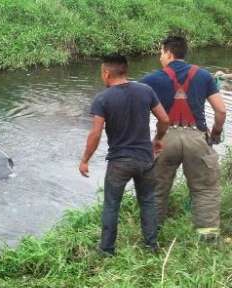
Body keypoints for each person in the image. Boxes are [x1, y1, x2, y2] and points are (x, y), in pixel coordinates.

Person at [79, 54, 170, 256]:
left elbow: (95, 133)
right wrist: (158, 139)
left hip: (119, 162)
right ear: (125, 70)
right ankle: (151, 246)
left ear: (106, 73)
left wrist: (85, 160)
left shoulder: (103, 98)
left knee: (111, 205)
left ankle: (107, 250)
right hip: (145, 159)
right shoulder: (146, 91)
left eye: (101, 73)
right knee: (147, 201)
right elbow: (164, 119)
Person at [141, 36, 227, 241]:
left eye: (161, 53)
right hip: (197, 138)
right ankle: (207, 241)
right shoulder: (204, 76)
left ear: (169, 53)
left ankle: (151, 239)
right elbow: (221, 111)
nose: (160, 57)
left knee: (156, 190)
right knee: (205, 189)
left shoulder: (150, 80)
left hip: (165, 139)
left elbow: (137, 109)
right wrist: (214, 133)